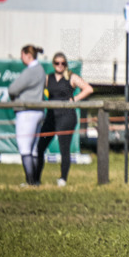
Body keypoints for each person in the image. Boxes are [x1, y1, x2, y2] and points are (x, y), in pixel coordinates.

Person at [36, 52, 93, 187]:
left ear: (66, 64)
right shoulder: (47, 78)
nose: (60, 66)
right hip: (51, 116)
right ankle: (35, 179)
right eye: (57, 63)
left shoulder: (71, 77)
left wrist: (74, 99)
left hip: (66, 116)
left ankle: (63, 179)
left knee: (64, 148)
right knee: (40, 147)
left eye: (63, 63)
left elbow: (88, 89)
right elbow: (38, 90)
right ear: (53, 64)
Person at [7, 44, 46, 186]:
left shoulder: (31, 70)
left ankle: (30, 182)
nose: (20, 57)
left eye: (22, 54)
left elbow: (13, 88)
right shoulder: (41, 70)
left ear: (26, 55)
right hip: (38, 112)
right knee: (34, 149)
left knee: (24, 147)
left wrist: (14, 97)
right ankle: (35, 181)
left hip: (27, 112)